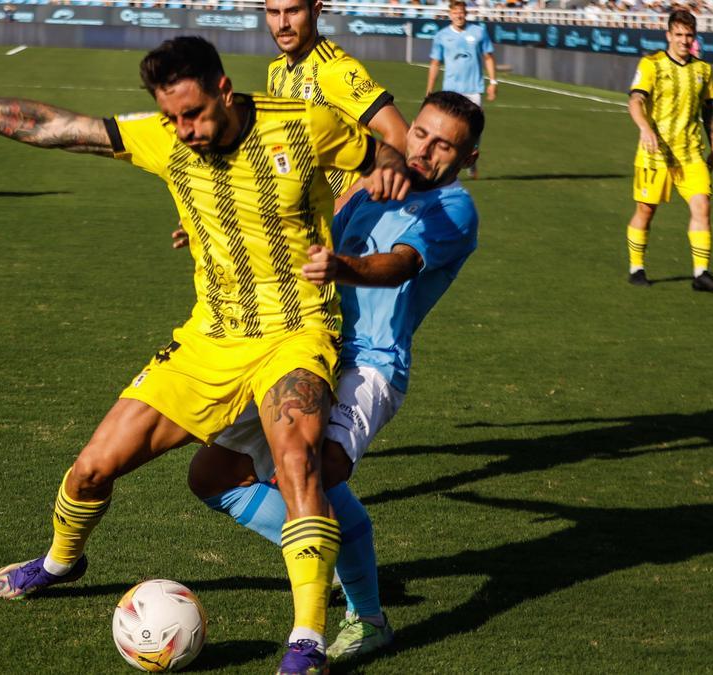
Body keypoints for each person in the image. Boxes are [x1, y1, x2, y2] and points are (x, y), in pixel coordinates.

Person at [0, 36, 412, 675]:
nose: (183, 130)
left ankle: (307, 644)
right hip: (208, 339)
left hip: (296, 331)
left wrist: (388, 159)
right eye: (171, 117)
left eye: (193, 113)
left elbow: (380, 144)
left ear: (222, 88)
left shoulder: (303, 124)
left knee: (297, 465)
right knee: (90, 471)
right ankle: (60, 562)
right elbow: (57, 127)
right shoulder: (162, 136)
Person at [186, 91, 482, 664]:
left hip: (370, 364)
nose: (426, 150)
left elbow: (398, 264)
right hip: (307, 346)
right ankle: (335, 568)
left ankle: (365, 614)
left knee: (311, 469)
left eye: (446, 145)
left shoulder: (454, 208)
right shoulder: (368, 189)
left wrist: (342, 266)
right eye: (421, 134)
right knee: (212, 475)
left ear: (468, 158)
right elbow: (300, 234)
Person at [263, 0, 409, 199]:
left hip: (340, 221)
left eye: (293, 11)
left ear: (315, 11)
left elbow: (399, 134)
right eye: (273, 12)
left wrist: (345, 203)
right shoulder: (276, 70)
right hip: (306, 214)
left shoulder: (335, 68)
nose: (282, 24)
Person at [625, 9, 713, 293]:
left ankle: (701, 273)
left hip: (691, 152)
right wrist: (645, 128)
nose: (684, 40)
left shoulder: (703, 70)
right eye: (679, 35)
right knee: (645, 211)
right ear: (669, 35)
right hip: (654, 153)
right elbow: (635, 100)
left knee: (702, 206)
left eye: (689, 35)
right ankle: (636, 267)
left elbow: (709, 111)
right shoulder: (651, 64)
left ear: (695, 37)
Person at [425, 0, 496, 177]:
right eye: (455, 12)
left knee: (475, 129)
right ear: (450, 14)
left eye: (462, 12)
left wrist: (493, 82)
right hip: (451, 91)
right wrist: (430, 88)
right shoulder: (441, 36)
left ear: (466, 13)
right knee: (449, 129)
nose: (459, 15)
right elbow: (435, 63)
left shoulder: (479, 32)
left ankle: (471, 160)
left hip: (473, 90)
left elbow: (488, 57)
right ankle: (447, 164)